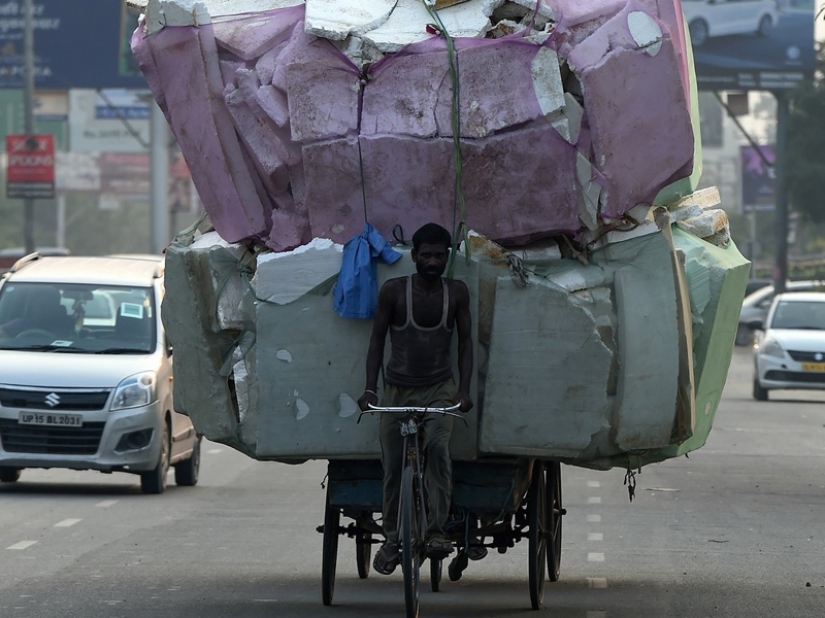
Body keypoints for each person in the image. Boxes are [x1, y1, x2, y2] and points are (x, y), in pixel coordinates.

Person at [357, 222, 474, 576]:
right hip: (397, 388)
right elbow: (376, 341)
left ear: (447, 256)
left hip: (439, 387)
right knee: (393, 465)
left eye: (440, 255)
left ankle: (437, 532)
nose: (433, 261)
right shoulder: (393, 291)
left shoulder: (456, 293)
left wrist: (463, 390)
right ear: (415, 256)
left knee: (438, 451)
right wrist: (370, 389)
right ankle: (392, 538)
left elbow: (466, 343)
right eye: (426, 255)